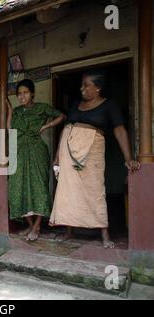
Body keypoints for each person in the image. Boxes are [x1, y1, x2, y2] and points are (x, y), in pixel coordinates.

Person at [49, 69, 140, 248]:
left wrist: (128, 158)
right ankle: (69, 230)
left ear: (97, 88)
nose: (82, 88)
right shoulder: (75, 104)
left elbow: (119, 130)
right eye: (82, 85)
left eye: (86, 85)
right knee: (68, 190)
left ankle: (104, 233)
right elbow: (66, 129)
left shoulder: (109, 105)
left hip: (92, 152)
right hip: (69, 150)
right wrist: (58, 155)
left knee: (95, 190)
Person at [7, 79, 65, 241]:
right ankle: (32, 225)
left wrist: (46, 126)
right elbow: (10, 129)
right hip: (20, 152)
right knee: (17, 187)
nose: (22, 96)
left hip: (37, 151)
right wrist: (11, 111)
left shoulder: (42, 108)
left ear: (32, 93)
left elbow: (62, 116)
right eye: (19, 94)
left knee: (39, 187)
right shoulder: (18, 111)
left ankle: (36, 227)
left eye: (25, 92)